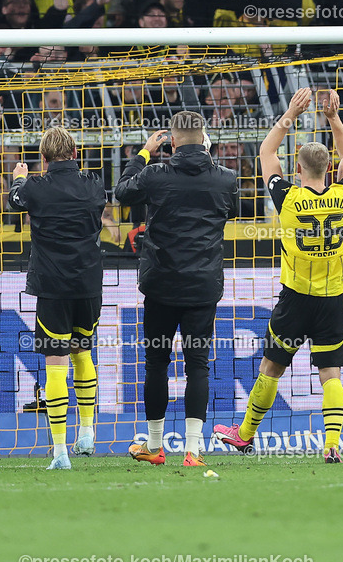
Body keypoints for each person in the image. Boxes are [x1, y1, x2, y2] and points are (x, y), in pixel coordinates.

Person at [214, 87, 343, 463]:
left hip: (295, 298)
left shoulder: (288, 198)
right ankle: (331, 444)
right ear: (329, 168)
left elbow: (266, 152)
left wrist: (291, 113)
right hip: (334, 298)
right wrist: (333, 117)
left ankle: (245, 435)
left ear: (297, 170)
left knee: (271, 367)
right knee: (331, 373)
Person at [114, 111, 238, 468]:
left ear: (172, 139)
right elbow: (232, 211)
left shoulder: (155, 174)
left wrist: (143, 153)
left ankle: (154, 446)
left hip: (162, 287)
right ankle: (193, 451)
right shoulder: (225, 178)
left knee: (157, 362)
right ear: (204, 137)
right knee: (197, 365)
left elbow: (122, 192)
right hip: (202, 287)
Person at [7, 127, 106, 470]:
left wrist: (19, 178)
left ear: (43, 158)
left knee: (56, 364)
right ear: (76, 154)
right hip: (89, 285)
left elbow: (15, 200)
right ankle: (88, 431)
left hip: (53, 288)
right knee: (83, 352)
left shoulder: (35, 187)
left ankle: (61, 451)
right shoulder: (94, 184)